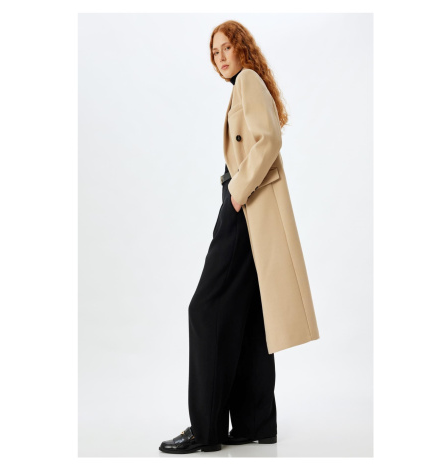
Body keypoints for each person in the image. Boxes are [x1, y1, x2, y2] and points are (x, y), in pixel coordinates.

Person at [159, 20, 320, 454]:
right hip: (250, 208)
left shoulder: (247, 80)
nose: (221, 57)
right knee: (249, 315)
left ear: (242, 48)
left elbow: (269, 140)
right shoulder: (246, 84)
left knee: (205, 309)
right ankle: (254, 422)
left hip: (244, 207)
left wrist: (235, 192)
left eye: (226, 47)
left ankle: (205, 429)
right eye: (215, 52)